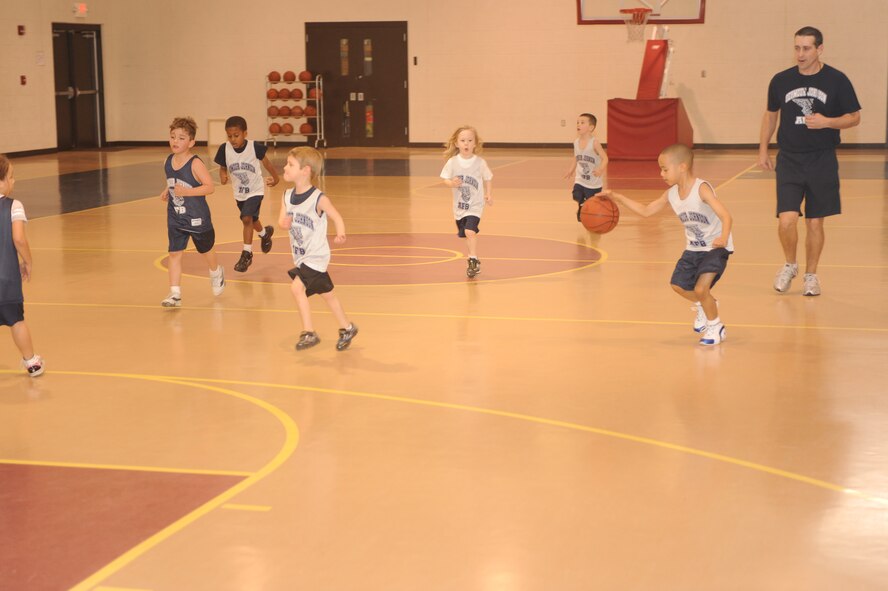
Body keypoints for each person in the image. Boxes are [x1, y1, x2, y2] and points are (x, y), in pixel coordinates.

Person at [758, 26, 861, 296]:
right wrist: (762, 149)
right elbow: (771, 115)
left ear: (819, 49)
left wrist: (828, 121)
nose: (800, 54)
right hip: (789, 159)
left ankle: (811, 275)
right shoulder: (780, 80)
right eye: (796, 48)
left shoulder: (837, 80)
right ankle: (790, 264)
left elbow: (854, 117)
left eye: (806, 48)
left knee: (815, 222)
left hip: (822, 159)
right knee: (786, 220)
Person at [604, 144, 734, 346]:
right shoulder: (671, 194)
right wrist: (618, 198)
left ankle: (716, 326)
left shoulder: (701, 188)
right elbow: (647, 211)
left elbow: (725, 215)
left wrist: (724, 238)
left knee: (700, 289)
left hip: (715, 248)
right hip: (693, 249)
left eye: (665, 169)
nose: (661, 173)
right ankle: (706, 304)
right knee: (678, 285)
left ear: (682, 167)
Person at [278, 147, 358, 351]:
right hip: (301, 255)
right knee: (328, 294)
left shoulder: (318, 198)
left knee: (297, 288)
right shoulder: (286, 196)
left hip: (316, 256)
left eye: (290, 164)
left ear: (305, 170)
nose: (285, 167)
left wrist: (340, 232)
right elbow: (281, 221)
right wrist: (284, 224)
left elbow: (336, 216)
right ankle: (347, 327)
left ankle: (309, 333)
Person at [160, 116, 225, 307]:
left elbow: (209, 187)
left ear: (191, 142)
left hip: (197, 216)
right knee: (174, 253)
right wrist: (167, 190)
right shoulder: (168, 161)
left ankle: (215, 272)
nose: (175, 141)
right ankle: (175, 294)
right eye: (173, 137)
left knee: (206, 250)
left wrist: (187, 192)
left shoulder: (195, 163)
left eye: (181, 138)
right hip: (175, 215)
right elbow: (173, 181)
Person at [213, 116, 280, 272]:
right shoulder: (224, 149)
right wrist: (222, 174)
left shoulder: (254, 147)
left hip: (256, 190)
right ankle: (265, 234)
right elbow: (223, 166)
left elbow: (267, 163)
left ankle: (247, 254)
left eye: (236, 135)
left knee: (246, 218)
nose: (233, 139)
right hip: (239, 193)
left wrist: (276, 178)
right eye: (229, 136)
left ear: (245, 133)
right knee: (252, 219)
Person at [0, 155, 44, 376]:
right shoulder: (13, 206)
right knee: (16, 321)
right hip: (6, 279)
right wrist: (28, 261)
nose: (13, 181)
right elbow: (19, 238)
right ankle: (32, 362)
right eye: (11, 177)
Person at [440, 125, 493, 278]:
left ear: (475, 143)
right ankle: (472, 257)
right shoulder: (452, 162)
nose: (466, 143)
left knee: (470, 231)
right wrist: (451, 183)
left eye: (470, 140)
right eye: (463, 140)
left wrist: (488, 194)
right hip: (459, 208)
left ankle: (473, 259)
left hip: (475, 205)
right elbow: (445, 179)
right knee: (466, 235)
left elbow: (488, 178)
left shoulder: (479, 162)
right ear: (456, 143)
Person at [564, 113, 608, 221]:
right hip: (580, 179)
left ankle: (585, 211)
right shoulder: (576, 142)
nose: (578, 124)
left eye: (582, 122)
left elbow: (605, 158)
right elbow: (576, 157)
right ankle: (581, 205)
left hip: (593, 182)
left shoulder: (595, 143)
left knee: (592, 205)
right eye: (577, 122)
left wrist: (600, 169)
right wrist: (571, 170)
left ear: (591, 127)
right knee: (576, 194)